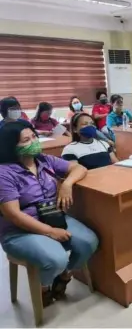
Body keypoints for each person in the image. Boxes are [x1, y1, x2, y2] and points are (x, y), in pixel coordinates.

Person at [0, 120, 98, 307]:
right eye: (26, 140)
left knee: (89, 242)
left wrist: (67, 184)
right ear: (11, 146)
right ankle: (43, 287)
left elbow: (79, 168)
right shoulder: (4, 173)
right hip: (19, 231)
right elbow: (13, 215)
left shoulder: (44, 160)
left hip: (53, 216)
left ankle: (64, 275)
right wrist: (50, 232)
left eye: (34, 136)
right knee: (56, 258)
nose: (34, 142)